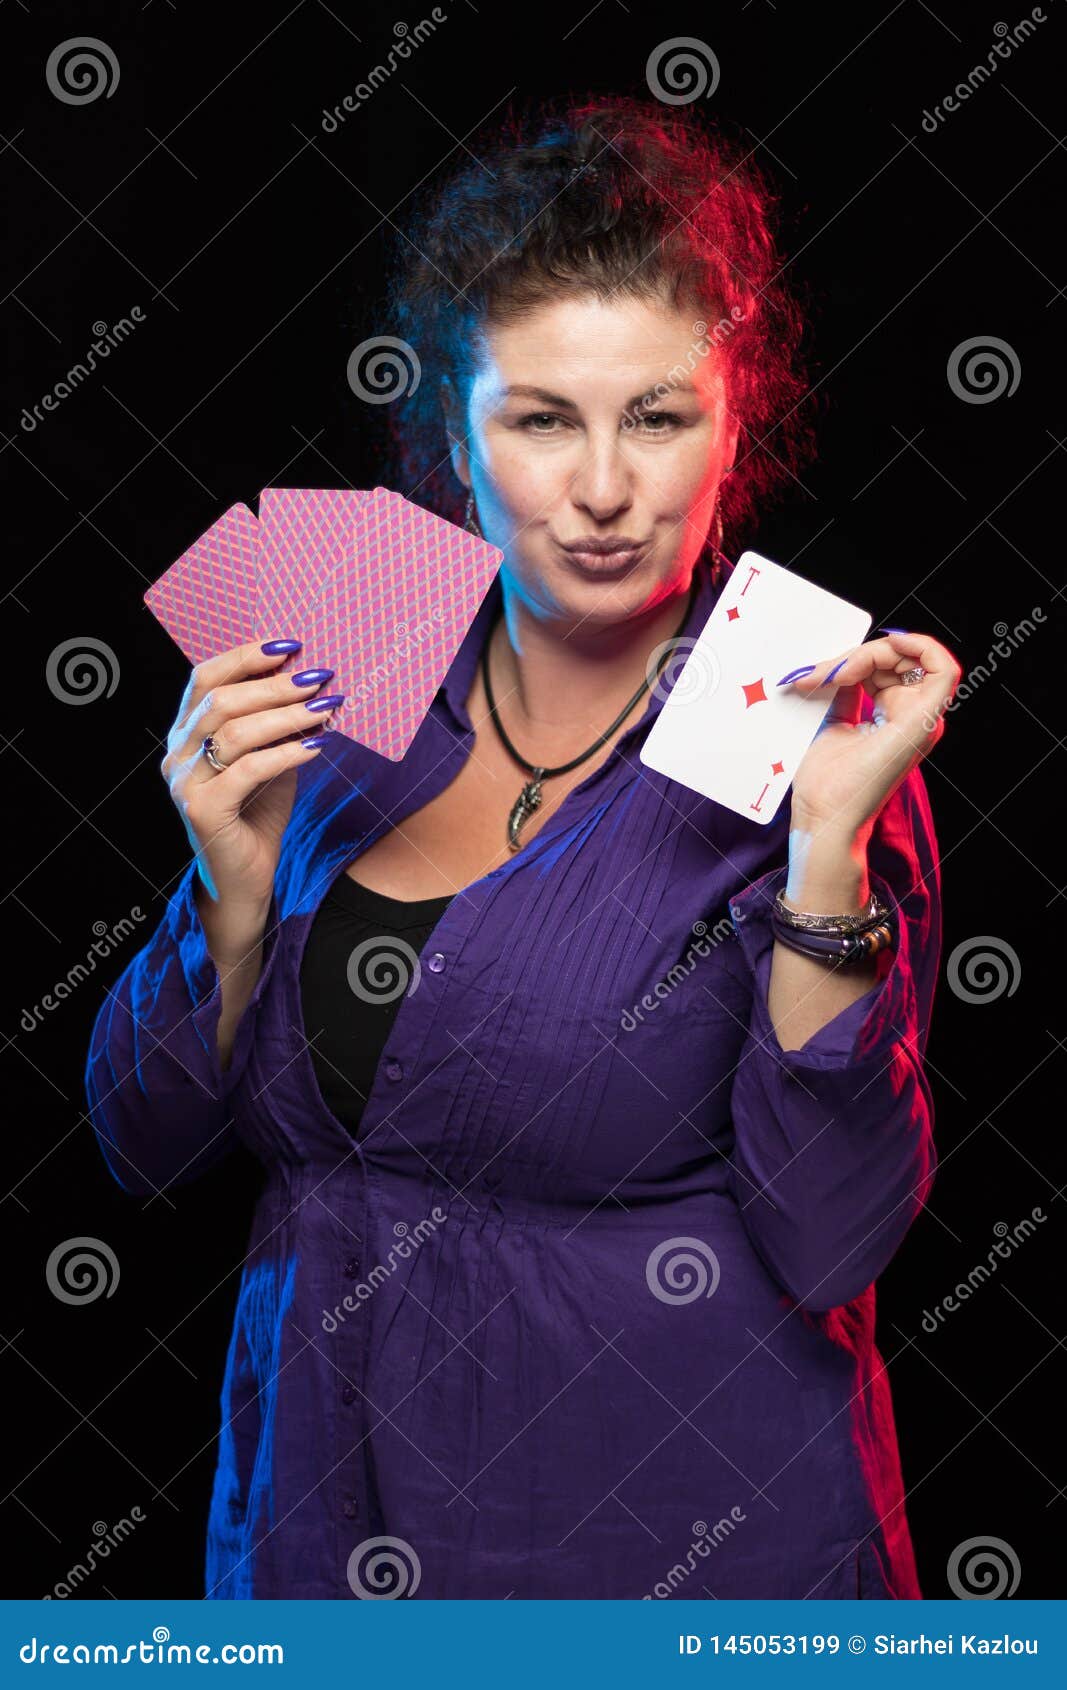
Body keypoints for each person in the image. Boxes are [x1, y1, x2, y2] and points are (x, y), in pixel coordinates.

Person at [86, 96, 960, 1600]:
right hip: (318, 1528)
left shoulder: (799, 704)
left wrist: (828, 852)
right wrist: (225, 900)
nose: (606, 489)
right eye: (542, 416)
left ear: (738, 416)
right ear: (449, 423)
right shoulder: (351, 615)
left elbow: (834, 1239)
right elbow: (139, 1141)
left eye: (661, 415)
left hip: (683, 1554)